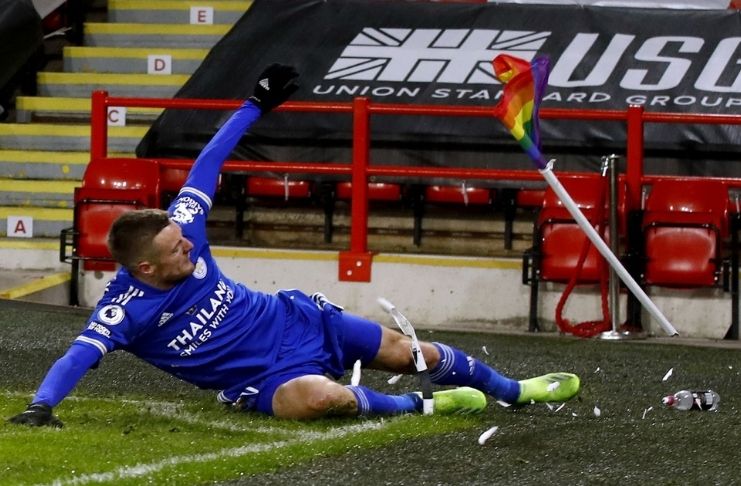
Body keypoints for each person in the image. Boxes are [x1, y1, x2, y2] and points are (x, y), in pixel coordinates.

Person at [8, 64, 580, 428]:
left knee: (413, 354)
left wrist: (253, 106)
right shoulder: (124, 310)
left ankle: (513, 390)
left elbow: (206, 168)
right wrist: (42, 406)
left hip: (297, 320)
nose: (191, 248)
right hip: (260, 378)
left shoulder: (183, 232)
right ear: (143, 266)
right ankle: (425, 405)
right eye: (178, 250)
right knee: (322, 399)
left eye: (187, 240)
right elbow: (77, 355)